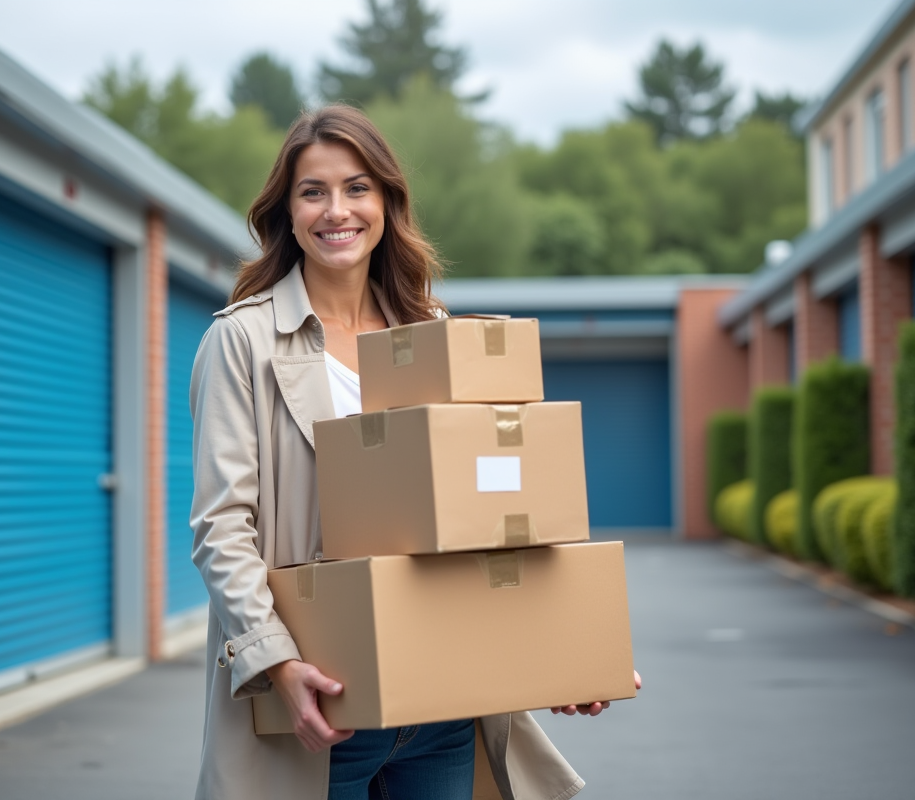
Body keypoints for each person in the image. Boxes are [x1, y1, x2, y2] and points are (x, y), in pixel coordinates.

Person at [189, 104, 638, 800]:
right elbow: (222, 527)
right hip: (323, 702)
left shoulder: (430, 332)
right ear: (287, 212)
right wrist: (277, 664)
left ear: (388, 202)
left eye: (357, 187)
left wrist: (560, 656)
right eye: (313, 191)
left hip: (442, 706)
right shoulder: (242, 341)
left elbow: (490, 511)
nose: (336, 210)